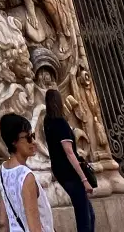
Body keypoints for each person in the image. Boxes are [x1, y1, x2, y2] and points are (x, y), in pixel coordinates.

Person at [41, 88, 94, 232]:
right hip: (71, 173)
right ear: (59, 101)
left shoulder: (47, 122)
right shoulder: (60, 123)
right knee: (84, 216)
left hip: (59, 172)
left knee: (89, 212)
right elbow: (70, 153)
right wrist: (84, 179)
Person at [0, 113, 54, 232]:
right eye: (28, 138)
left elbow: (3, 222)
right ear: (14, 141)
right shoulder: (25, 176)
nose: (33, 141)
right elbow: (34, 227)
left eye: (33, 136)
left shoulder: (3, 171)